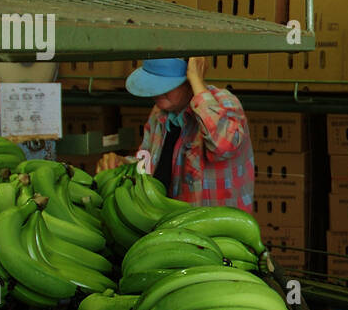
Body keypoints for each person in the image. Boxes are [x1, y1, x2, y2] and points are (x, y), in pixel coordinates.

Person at [96, 56, 254, 210]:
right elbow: (148, 165)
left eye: (165, 86)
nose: (157, 92)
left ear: (188, 80)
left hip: (218, 230)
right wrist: (123, 165)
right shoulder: (159, 114)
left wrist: (197, 83)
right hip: (175, 226)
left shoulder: (224, 103)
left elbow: (223, 146)